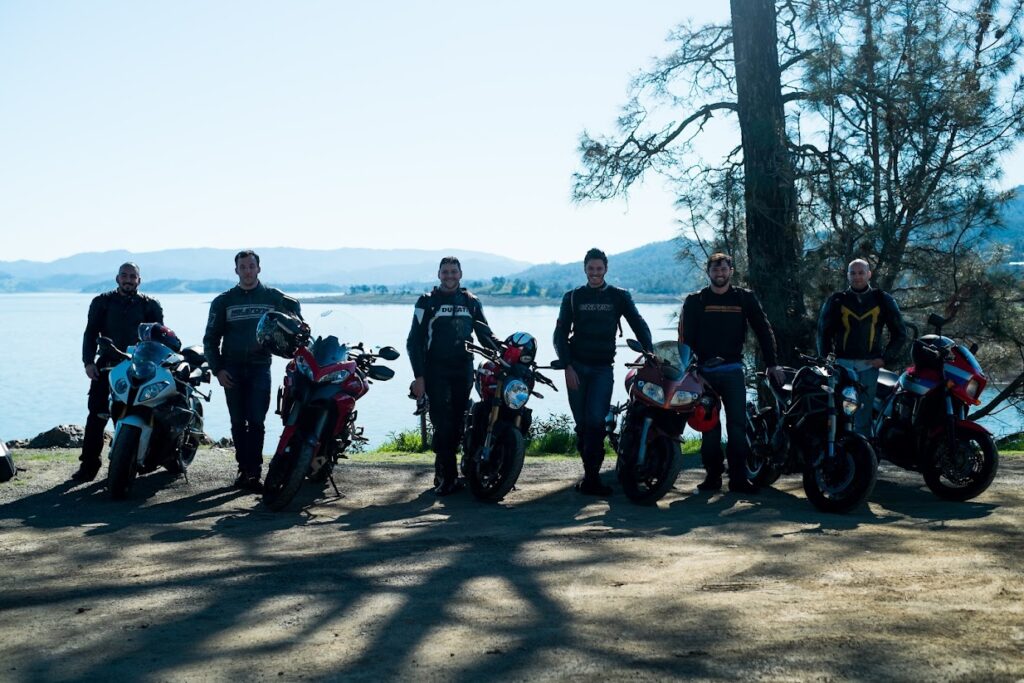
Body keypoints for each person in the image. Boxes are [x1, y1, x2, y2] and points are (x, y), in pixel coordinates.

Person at [678, 253, 783, 494]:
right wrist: (690, 370)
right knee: (709, 428)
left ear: (731, 271)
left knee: (737, 426)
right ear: (708, 272)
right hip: (704, 373)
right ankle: (713, 477)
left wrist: (772, 364)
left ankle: (738, 479)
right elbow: (685, 339)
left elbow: (763, 330)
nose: (720, 274)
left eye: (724, 269)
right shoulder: (696, 300)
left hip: (733, 370)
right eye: (715, 270)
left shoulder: (744, 298)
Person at [553, 247, 653, 496]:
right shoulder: (573, 297)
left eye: (599, 268)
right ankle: (590, 477)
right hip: (576, 367)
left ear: (606, 269)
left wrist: (650, 352)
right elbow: (560, 334)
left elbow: (638, 323)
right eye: (591, 268)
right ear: (585, 269)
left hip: (602, 369)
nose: (595, 273)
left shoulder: (619, 296)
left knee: (596, 422)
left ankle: (592, 479)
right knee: (582, 425)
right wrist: (566, 365)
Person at [204, 250, 301, 493]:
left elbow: (297, 323)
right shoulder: (223, 301)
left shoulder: (273, 297)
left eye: (251, 266)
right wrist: (218, 370)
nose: (247, 271)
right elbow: (210, 340)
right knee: (238, 422)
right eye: (243, 267)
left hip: (260, 367)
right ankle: (243, 469)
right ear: (236, 270)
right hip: (231, 368)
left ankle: (254, 473)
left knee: (256, 421)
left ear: (259, 268)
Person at [407, 256, 500, 496]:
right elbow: (414, 341)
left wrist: (505, 351)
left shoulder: (471, 302)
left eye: (453, 272)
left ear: (460, 274)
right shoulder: (426, 301)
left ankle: (446, 473)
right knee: (443, 423)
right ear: (439, 274)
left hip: (463, 369)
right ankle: (447, 478)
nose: (449, 276)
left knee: (459, 423)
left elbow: (485, 335)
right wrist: (419, 377)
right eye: (445, 272)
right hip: (435, 370)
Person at [73, 262, 164, 482]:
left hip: (138, 367)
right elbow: (90, 333)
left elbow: (159, 338)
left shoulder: (150, 304)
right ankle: (89, 466)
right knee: (96, 415)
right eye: (124, 275)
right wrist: (88, 362)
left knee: (133, 413)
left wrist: (158, 364)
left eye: (132, 276)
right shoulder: (102, 302)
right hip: (106, 365)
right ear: (117, 278)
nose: (128, 280)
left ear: (139, 280)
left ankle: (127, 465)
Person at [817, 258, 907, 435]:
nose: (857, 277)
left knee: (863, 416)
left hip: (868, 366)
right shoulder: (837, 300)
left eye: (861, 272)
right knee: (838, 413)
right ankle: (838, 450)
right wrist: (827, 361)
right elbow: (823, 333)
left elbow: (900, 333)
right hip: (842, 366)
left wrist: (885, 358)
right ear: (848, 275)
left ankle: (863, 450)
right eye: (853, 273)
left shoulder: (882, 299)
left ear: (869, 274)